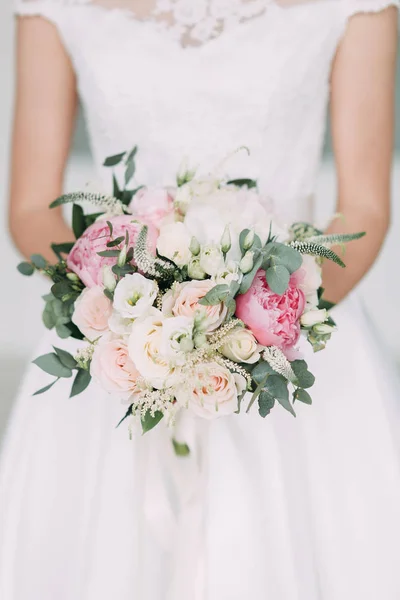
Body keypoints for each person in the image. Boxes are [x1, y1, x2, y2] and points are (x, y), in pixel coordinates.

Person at [1, 1, 400, 598]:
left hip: (294, 345)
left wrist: (261, 328)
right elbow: (32, 207)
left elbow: (364, 207)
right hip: (116, 344)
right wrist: (135, 314)